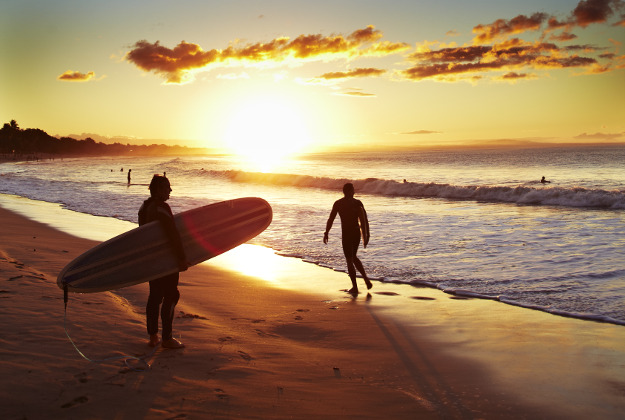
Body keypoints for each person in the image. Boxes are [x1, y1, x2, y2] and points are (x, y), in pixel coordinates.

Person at [138, 175, 188, 349]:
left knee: (154, 297)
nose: (170, 190)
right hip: (166, 262)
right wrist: (181, 258)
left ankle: (153, 337)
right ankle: (167, 338)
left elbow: (142, 236)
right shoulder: (162, 208)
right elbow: (172, 235)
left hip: (152, 262)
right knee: (171, 295)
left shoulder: (144, 208)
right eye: (167, 187)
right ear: (159, 189)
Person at [324, 183, 372, 295]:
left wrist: (326, 232)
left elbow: (331, 219)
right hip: (356, 233)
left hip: (346, 234)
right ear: (350, 191)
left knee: (350, 259)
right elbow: (365, 221)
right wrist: (366, 235)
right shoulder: (357, 203)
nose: (354, 191)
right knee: (353, 257)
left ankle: (355, 287)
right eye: (353, 190)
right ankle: (365, 279)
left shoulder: (338, 203)